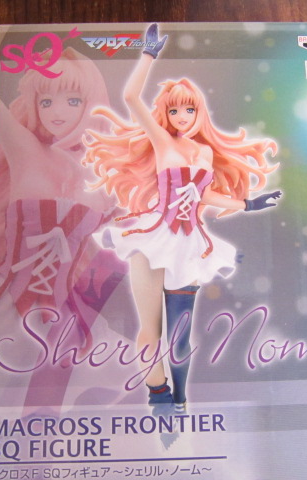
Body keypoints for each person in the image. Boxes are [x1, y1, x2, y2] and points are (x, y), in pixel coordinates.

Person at [83, 24, 281, 414]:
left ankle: (180, 399)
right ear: (167, 114)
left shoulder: (204, 154)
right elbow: (130, 96)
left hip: (188, 244)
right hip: (153, 236)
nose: (182, 116)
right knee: (151, 326)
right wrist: (148, 54)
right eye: (174, 110)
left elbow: (204, 194)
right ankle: (157, 392)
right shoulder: (162, 141)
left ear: (199, 111)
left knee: (180, 336)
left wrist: (248, 204)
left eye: (189, 109)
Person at [0, 47, 127, 409]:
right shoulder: (25, 150)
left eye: (72, 100)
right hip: (3, 305)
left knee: (128, 373)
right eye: (46, 101)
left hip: (65, 313)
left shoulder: (102, 174)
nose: (57, 112)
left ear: (91, 103)